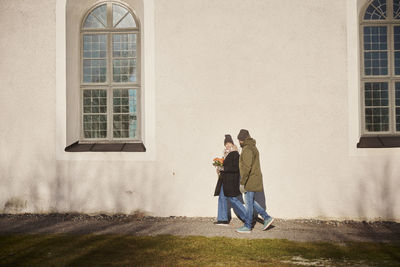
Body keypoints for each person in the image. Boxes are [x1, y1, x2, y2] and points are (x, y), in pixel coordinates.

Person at [236, 129, 274, 233]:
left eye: (239, 139)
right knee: (250, 201)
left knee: (248, 204)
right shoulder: (253, 146)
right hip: (254, 179)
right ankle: (266, 217)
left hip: (250, 180)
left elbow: (247, 167)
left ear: (242, 139)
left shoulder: (247, 149)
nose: (238, 142)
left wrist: (242, 183)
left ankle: (248, 226)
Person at [213, 135, 247, 225]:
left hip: (231, 182)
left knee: (233, 199)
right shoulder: (225, 154)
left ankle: (248, 217)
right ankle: (223, 219)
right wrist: (219, 169)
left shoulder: (235, 154)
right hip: (224, 181)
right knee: (222, 198)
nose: (227, 146)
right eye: (226, 144)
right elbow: (226, 168)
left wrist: (223, 168)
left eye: (229, 143)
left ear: (232, 144)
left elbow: (236, 168)